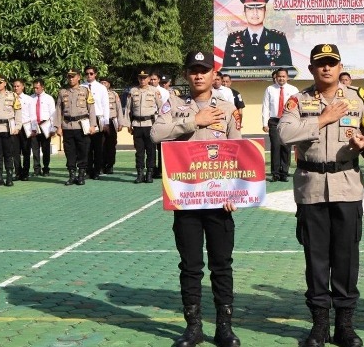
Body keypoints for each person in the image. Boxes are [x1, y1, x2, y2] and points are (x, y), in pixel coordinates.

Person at [278, 44, 364, 347]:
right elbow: (284, 135)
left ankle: (345, 325)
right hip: (311, 187)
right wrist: (322, 119)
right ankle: (319, 325)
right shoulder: (298, 101)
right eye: (320, 64)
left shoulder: (358, 99)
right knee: (316, 258)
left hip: (346, 185)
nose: (326, 68)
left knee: (346, 258)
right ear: (311, 69)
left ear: (340, 68)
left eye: (331, 63)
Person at [150, 50, 243, 347]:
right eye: (193, 70)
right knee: (190, 266)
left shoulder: (228, 108)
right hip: (187, 198)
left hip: (218, 200)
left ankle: (224, 327)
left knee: (221, 265)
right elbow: (156, 133)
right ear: (187, 74)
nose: (199, 75)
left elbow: (238, 151)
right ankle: (193, 327)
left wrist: (235, 191)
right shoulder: (174, 105)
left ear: (214, 74)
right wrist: (194, 121)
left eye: (204, 70)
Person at [223, 0, 292, 68]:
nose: (255, 13)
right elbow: (226, 71)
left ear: (265, 12)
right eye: (250, 9)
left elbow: (288, 71)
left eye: (259, 9)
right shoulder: (233, 39)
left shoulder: (278, 38)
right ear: (244, 13)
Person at [53, 69, 96, 186]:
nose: (71, 79)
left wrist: (93, 125)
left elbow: (91, 109)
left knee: (83, 151)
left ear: (78, 77)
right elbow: (58, 110)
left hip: (82, 125)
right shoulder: (63, 92)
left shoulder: (85, 91)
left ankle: (81, 174)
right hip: (67, 126)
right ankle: (72, 175)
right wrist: (58, 126)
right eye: (69, 77)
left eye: (73, 76)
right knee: (69, 152)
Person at [262, 67, 298, 182]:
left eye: (283, 76)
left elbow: (297, 107)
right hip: (274, 121)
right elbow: (265, 106)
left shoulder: (294, 90)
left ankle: (284, 172)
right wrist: (264, 123)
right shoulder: (269, 89)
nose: (281, 78)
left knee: (286, 147)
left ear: (287, 77)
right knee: (275, 146)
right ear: (276, 77)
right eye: (279, 76)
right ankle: (275, 173)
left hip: (288, 120)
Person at [126, 71, 162, 183]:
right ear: (138, 78)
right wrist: (128, 124)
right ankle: (140, 174)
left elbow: (161, 108)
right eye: (140, 78)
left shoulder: (154, 91)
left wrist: (160, 124)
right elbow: (128, 109)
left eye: (145, 78)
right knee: (139, 151)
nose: (142, 80)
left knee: (151, 150)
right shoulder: (133, 91)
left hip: (150, 124)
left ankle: (150, 173)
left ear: (148, 79)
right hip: (137, 125)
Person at [82, 65, 110, 180]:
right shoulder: (81, 87)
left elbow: (105, 105)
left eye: (91, 73)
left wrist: (106, 122)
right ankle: (88, 170)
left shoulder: (101, 88)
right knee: (86, 146)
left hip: (98, 118)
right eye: (87, 73)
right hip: (86, 119)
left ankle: (97, 170)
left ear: (95, 74)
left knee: (98, 146)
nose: (89, 76)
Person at [11, 79, 35, 181]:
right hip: (15, 127)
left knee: (26, 151)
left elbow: (33, 115)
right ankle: (17, 172)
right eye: (14, 86)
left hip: (26, 127)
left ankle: (25, 173)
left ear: (23, 87)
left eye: (18, 86)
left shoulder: (29, 99)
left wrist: (34, 128)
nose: (16, 88)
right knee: (15, 152)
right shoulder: (10, 98)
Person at [30, 79, 56, 177]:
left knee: (46, 149)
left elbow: (53, 114)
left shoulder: (49, 98)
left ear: (42, 87)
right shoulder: (31, 98)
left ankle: (46, 168)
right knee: (35, 149)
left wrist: (53, 129)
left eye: (37, 87)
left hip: (45, 126)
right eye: (34, 88)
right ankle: (36, 169)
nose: (35, 89)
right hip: (34, 126)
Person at [101, 78, 126, 175]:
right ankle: (101, 165)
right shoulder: (96, 93)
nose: (103, 84)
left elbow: (119, 108)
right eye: (101, 82)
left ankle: (110, 165)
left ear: (109, 84)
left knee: (111, 144)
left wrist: (120, 122)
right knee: (100, 145)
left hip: (112, 121)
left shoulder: (114, 94)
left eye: (105, 82)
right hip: (101, 121)